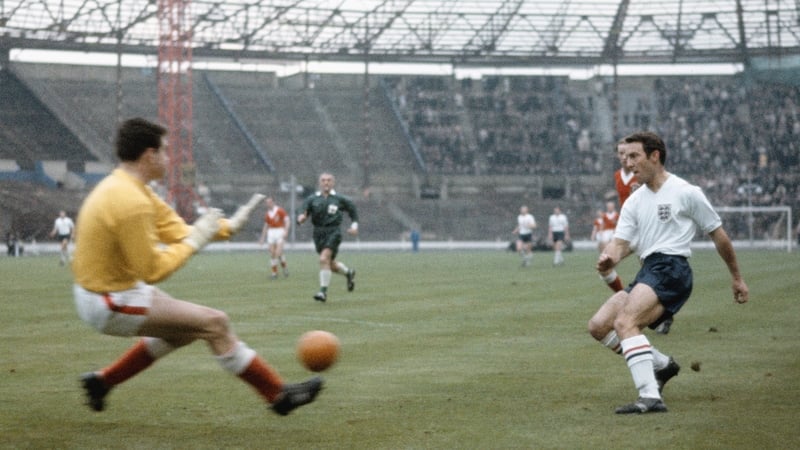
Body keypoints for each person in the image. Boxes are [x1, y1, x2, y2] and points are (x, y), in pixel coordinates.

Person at [71, 117, 322, 416]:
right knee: (215, 323)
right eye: (164, 151)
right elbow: (153, 270)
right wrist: (195, 243)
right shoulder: (130, 200)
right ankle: (277, 395)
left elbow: (178, 230)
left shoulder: (132, 189)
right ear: (149, 155)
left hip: (111, 288)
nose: (168, 158)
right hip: (107, 300)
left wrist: (227, 227)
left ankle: (102, 383)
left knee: (185, 331)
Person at [587, 131, 749, 414]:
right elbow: (621, 243)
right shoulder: (635, 201)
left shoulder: (686, 192)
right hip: (649, 269)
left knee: (625, 322)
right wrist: (609, 258)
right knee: (599, 325)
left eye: (635, 156)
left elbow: (719, 236)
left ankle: (650, 397)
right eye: (625, 157)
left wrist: (736, 277)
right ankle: (661, 365)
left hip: (672, 268)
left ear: (655, 156)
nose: (628, 163)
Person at [296, 172, 358, 303]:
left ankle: (322, 292)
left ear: (333, 183)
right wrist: (301, 218)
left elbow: (353, 210)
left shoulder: (339, 199)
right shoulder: (312, 199)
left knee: (323, 259)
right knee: (329, 264)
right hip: (318, 234)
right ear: (320, 183)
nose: (326, 182)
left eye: (329, 180)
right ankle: (348, 273)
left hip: (334, 232)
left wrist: (354, 226)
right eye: (323, 180)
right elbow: (303, 210)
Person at [258, 196, 290, 279]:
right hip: (271, 233)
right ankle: (275, 273)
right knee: (272, 253)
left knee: (278, 253)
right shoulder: (268, 214)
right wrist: (262, 237)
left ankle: (284, 268)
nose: (268, 204)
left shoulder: (280, 210)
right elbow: (266, 226)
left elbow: (287, 221)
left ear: (273, 202)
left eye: (269, 202)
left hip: (280, 231)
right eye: (267, 203)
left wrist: (286, 231)